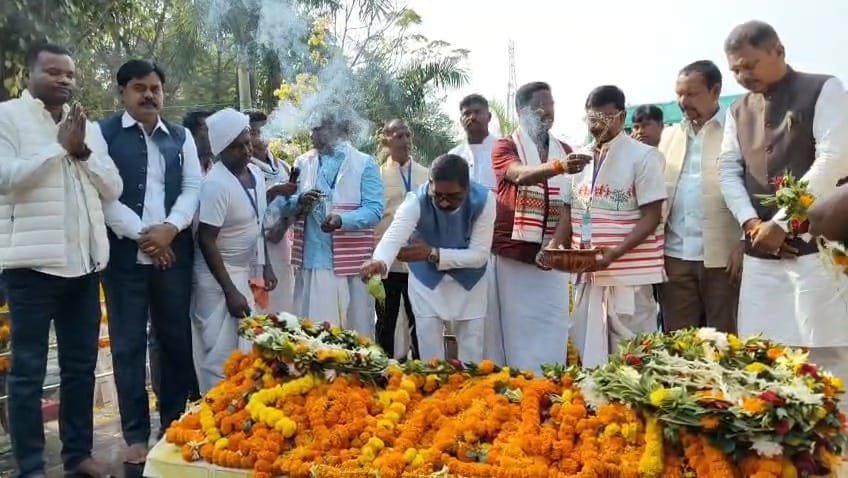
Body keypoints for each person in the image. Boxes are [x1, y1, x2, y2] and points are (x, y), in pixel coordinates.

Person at [0, 43, 123, 478]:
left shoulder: (85, 127)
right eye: (54, 72)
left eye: (70, 73)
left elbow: (113, 187)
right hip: (31, 268)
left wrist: (82, 151)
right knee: (28, 373)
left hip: (85, 267)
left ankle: (77, 456)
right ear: (29, 75)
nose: (64, 80)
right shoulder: (7, 118)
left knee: (79, 368)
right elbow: (5, 179)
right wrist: (59, 148)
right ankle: (31, 466)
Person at [717, 21, 848, 387]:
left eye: (750, 65)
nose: (743, 76)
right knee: (763, 354)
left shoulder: (825, 88)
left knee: (826, 355)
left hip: (817, 250)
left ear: (778, 51)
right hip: (761, 253)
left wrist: (783, 223)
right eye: (735, 70)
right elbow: (727, 169)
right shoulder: (737, 110)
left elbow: (834, 159)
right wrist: (751, 224)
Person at [99, 59, 202, 463]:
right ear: (122, 92)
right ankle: (136, 435)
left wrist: (170, 229)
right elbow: (104, 194)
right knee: (126, 346)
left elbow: (192, 188)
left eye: (155, 88)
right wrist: (147, 236)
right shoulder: (103, 134)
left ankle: (173, 423)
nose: (149, 95)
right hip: (125, 257)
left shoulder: (180, 138)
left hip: (173, 254)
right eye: (139, 87)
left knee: (174, 341)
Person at [549, 85, 666, 368]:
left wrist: (615, 252)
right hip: (587, 271)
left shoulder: (645, 156)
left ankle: (632, 410)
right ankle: (595, 410)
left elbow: (652, 216)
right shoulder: (579, 158)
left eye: (605, 119)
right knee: (587, 347)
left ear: (621, 117)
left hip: (627, 275)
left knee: (633, 352)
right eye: (592, 120)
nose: (597, 127)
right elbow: (569, 208)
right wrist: (555, 244)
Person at [362, 154, 495, 362]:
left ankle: (473, 392)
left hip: (470, 281)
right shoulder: (415, 200)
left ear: (467, 187)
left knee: (472, 350)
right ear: (430, 184)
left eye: (453, 197)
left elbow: (479, 256)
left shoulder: (485, 200)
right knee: (429, 352)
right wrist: (380, 261)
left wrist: (433, 253)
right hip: (427, 282)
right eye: (438, 195)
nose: (443, 202)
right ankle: (433, 390)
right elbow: (394, 236)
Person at [488, 81, 583, 372]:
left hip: (551, 257)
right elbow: (518, 175)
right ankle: (520, 388)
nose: (545, 111)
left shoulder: (564, 149)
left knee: (554, 322)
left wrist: (553, 246)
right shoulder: (505, 146)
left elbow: (570, 203)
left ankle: (550, 384)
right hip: (514, 255)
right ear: (520, 111)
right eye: (538, 106)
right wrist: (558, 167)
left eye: (550, 104)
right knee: (517, 326)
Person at [267, 114, 383, 337]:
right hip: (312, 261)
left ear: (337, 128)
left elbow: (374, 209)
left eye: (318, 129)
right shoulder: (302, 162)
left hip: (351, 265)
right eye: (312, 129)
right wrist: (300, 201)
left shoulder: (364, 163)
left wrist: (342, 220)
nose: (312, 135)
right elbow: (284, 206)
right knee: (314, 333)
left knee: (355, 331)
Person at [192, 108, 275, 393]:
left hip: (241, 273)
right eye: (237, 146)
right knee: (220, 353)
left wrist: (266, 267)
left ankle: (238, 405)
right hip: (216, 280)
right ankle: (214, 411)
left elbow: (258, 222)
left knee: (245, 348)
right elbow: (206, 240)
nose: (246, 150)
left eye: (247, 142)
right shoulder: (215, 184)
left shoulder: (255, 172)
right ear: (221, 149)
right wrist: (229, 290)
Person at [658, 60, 743, 334]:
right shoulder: (669, 136)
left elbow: (754, 190)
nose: (683, 102)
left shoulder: (737, 131)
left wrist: (744, 242)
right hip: (675, 256)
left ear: (715, 90)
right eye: (679, 94)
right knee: (677, 344)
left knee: (726, 340)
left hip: (723, 257)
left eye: (691, 94)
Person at [373, 119, 428, 359]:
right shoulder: (376, 176)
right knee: (386, 318)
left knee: (420, 317)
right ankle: (381, 369)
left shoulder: (426, 174)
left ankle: (421, 369)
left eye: (407, 135)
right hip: (388, 263)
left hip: (418, 262)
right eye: (398, 136)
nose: (405, 141)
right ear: (386, 140)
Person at [247, 110, 295, 314]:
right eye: (254, 132)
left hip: (282, 241)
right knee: (261, 309)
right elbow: (247, 206)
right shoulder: (245, 168)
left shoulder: (283, 166)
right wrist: (274, 191)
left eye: (263, 131)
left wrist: (285, 221)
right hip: (257, 244)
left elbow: (294, 204)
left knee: (285, 304)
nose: (260, 137)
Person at [449, 94, 498, 189]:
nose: (472, 117)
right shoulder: (454, 156)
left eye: (477, 112)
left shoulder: (504, 150)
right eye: (467, 113)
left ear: (489, 116)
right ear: (461, 120)